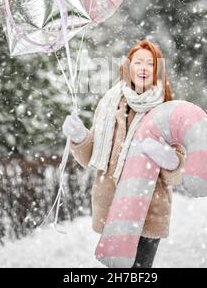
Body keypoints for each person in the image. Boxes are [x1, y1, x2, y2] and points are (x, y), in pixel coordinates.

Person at [62, 40, 186, 268]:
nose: (143, 68)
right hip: (112, 206)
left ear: (157, 70)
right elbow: (92, 155)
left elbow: (178, 172)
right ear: (128, 67)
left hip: (148, 209)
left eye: (150, 63)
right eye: (138, 62)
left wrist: (169, 160)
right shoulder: (109, 105)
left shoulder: (168, 110)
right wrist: (79, 137)